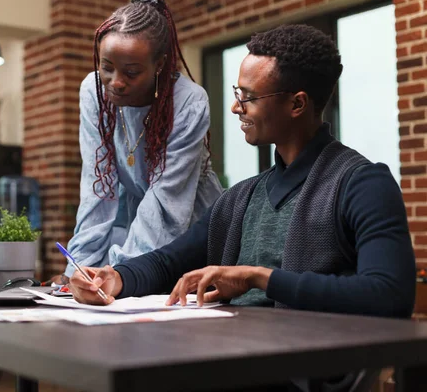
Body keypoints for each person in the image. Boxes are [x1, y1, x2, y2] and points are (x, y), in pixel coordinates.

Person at [69, 24, 416, 320]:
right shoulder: (240, 198)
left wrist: (258, 278)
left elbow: (389, 295)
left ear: (297, 104)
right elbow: (168, 262)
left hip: (299, 369)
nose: (235, 107)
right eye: (237, 93)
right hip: (231, 354)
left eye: (248, 97)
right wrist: (115, 277)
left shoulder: (363, 184)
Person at [55, 0, 222, 283]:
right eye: (107, 67)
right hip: (132, 216)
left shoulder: (188, 102)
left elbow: (166, 202)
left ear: (160, 65)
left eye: (131, 72)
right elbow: (97, 187)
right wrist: (79, 269)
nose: (116, 82)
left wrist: (121, 273)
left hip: (187, 220)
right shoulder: (94, 91)